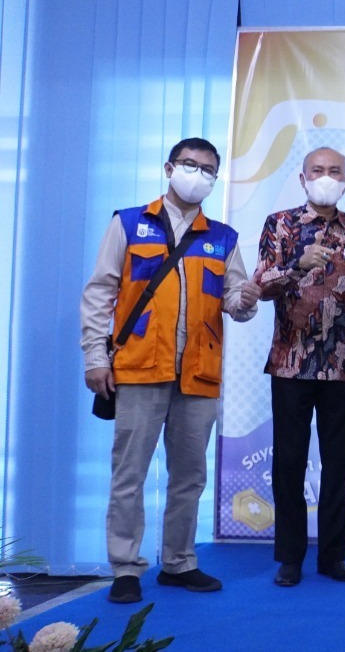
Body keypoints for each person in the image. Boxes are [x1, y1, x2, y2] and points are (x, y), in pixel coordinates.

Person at [81, 138, 260, 604]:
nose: (198, 175)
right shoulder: (128, 223)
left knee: (188, 477)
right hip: (139, 370)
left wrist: (247, 298)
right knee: (129, 474)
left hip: (199, 374)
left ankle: (179, 562)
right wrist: (95, 358)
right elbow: (99, 293)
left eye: (208, 170)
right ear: (169, 167)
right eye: (190, 165)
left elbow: (235, 303)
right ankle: (125, 567)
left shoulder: (223, 237)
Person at [255, 147, 345, 587]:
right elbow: (261, 286)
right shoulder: (280, 224)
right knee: (289, 463)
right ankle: (290, 557)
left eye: (335, 171)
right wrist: (296, 265)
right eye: (318, 170)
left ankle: (333, 556)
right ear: (302, 177)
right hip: (290, 363)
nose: (326, 177)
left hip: (342, 363)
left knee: (338, 464)